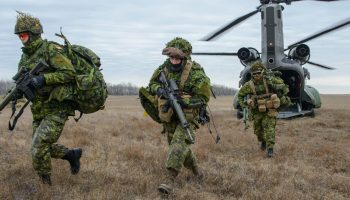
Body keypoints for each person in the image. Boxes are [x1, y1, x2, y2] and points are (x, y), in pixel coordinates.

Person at [14, 11, 82, 185]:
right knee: (42, 147)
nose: (21, 39)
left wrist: (43, 79)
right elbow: (22, 80)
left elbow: (69, 73)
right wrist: (18, 92)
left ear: (34, 34)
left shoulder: (50, 49)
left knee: (38, 147)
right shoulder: (25, 57)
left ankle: (46, 187)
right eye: (19, 36)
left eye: (23, 35)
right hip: (39, 109)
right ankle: (72, 155)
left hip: (57, 107)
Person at [147, 37, 211, 194]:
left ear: (185, 57)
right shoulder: (164, 68)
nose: (174, 61)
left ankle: (169, 181)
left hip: (188, 117)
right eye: (172, 58)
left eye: (177, 58)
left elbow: (203, 99)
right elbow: (152, 84)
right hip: (170, 115)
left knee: (178, 145)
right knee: (180, 148)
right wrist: (160, 90)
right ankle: (197, 172)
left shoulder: (195, 73)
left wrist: (185, 101)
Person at [237, 61, 291, 158]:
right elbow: (240, 96)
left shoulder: (270, 80)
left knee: (270, 128)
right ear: (252, 74)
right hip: (257, 111)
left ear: (262, 71)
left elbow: (285, 88)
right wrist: (246, 104)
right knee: (258, 131)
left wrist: (277, 90)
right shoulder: (249, 85)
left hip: (270, 109)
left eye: (259, 72)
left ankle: (270, 149)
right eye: (254, 73)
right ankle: (263, 141)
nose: (257, 75)